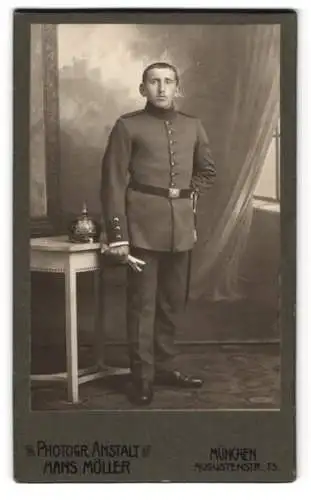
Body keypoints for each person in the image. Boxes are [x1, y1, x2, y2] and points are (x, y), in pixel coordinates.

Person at [100, 61, 216, 406]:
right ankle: (142, 377)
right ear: (142, 89)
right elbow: (112, 183)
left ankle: (164, 368)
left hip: (181, 230)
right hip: (141, 229)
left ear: (177, 88)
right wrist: (118, 234)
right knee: (142, 307)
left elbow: (207, 172)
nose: (161, 88)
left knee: (170, 304)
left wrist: (184, 195)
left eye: (168, 82)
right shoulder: (127, 126)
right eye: (154, 82)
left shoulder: (193, 126)